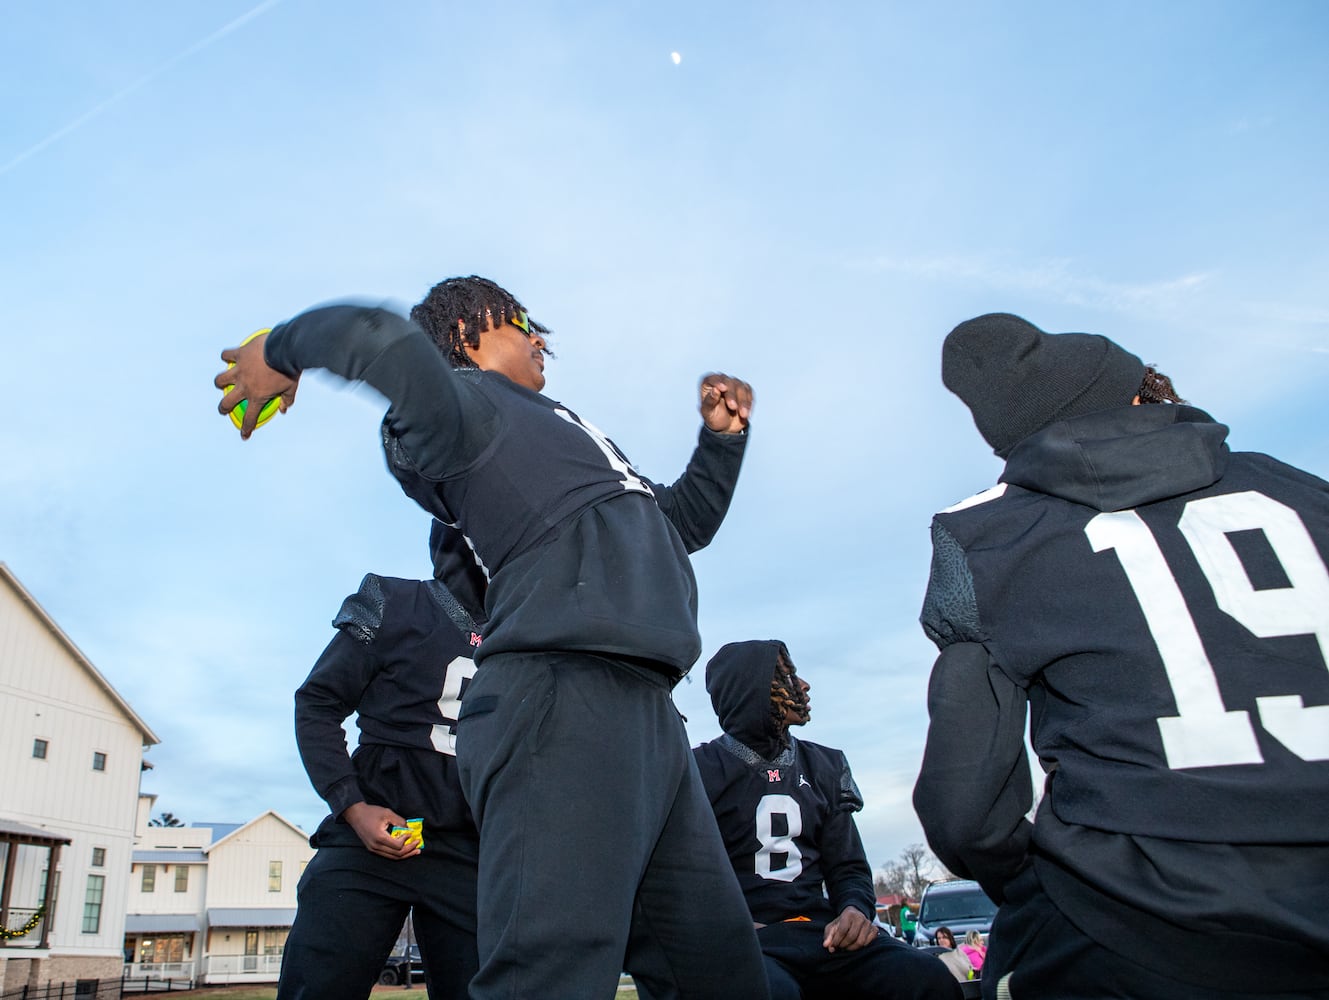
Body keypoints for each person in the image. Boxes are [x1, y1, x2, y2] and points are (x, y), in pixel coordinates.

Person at [215, 276, 768, 1000]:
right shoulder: (463, 414)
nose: (541, 339)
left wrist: (720, 445)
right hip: (557, 697)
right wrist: (278, 352)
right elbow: (378, 339)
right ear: (468, 333)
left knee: (715, 967)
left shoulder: (574, 435)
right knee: (553, 971)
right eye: (523, 322)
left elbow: (677, 526)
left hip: (650, 710)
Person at [913, 313, 1329, 999]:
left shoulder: (983, 538)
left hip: (1143, 916)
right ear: (1138, 392)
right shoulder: (1298, 489)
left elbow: (963, 810)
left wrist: (1042, 882)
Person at [277, 525, 483, 1000]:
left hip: (470, 847)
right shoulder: (396, 603)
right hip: (384, 826)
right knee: (319, 983)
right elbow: (318, 704)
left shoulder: (526, 632)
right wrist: (352, 805)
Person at [694, 639, 961, 1000]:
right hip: (749, 938)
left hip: (823, 933)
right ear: (750, 690)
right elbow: (687, 877)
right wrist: (728, 925)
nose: (803, 686)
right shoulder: (699, 772)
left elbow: (848, 868)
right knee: (770, 991)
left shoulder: (825, 766)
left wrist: (854, 910)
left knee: (927, 978)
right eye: (786, 678)